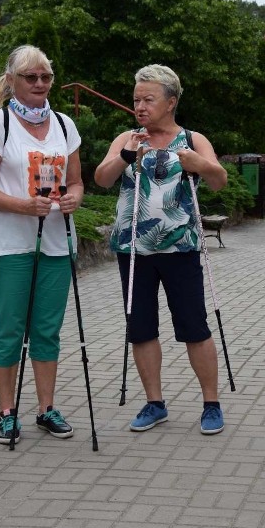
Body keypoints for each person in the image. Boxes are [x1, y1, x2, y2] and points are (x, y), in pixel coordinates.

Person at [94, 64, 228, 435]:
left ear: (170, 102)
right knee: (141, 328)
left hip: (180, 248)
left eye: (148, 99)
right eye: (136, 99)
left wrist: (201, 164)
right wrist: (124, 155)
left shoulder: (192, 139)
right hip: (133, 250)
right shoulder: (127, 138)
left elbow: (218, 181)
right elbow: (102, 179)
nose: (139, 106)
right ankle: (155, 403)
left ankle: (211, 404)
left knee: (193, 326)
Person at [0, 45, 83, 445]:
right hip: (10, 244)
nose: (39, 84)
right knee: (10, 330)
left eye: (46, 77)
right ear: (13, 81)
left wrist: (73, 198)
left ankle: (46, 408)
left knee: (47, 330)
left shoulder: (65, 124)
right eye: (30, 77)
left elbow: (77, 180)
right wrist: (23, 205)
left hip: (55, 242)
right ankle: (5, 412)